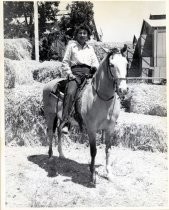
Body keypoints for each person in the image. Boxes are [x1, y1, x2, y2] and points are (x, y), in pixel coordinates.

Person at [60, 23, 99, 134]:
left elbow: (95, 62)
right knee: (71, 93)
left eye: (84, 33)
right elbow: (65, 62)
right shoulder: (71, 47)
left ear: (88, 35)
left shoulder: (90, 48)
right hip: (75, 74)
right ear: (76, 35)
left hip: (89, 75)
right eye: (80, 33)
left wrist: (94, 68)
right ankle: (66, 122)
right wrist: (69, 74)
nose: (82, 35)